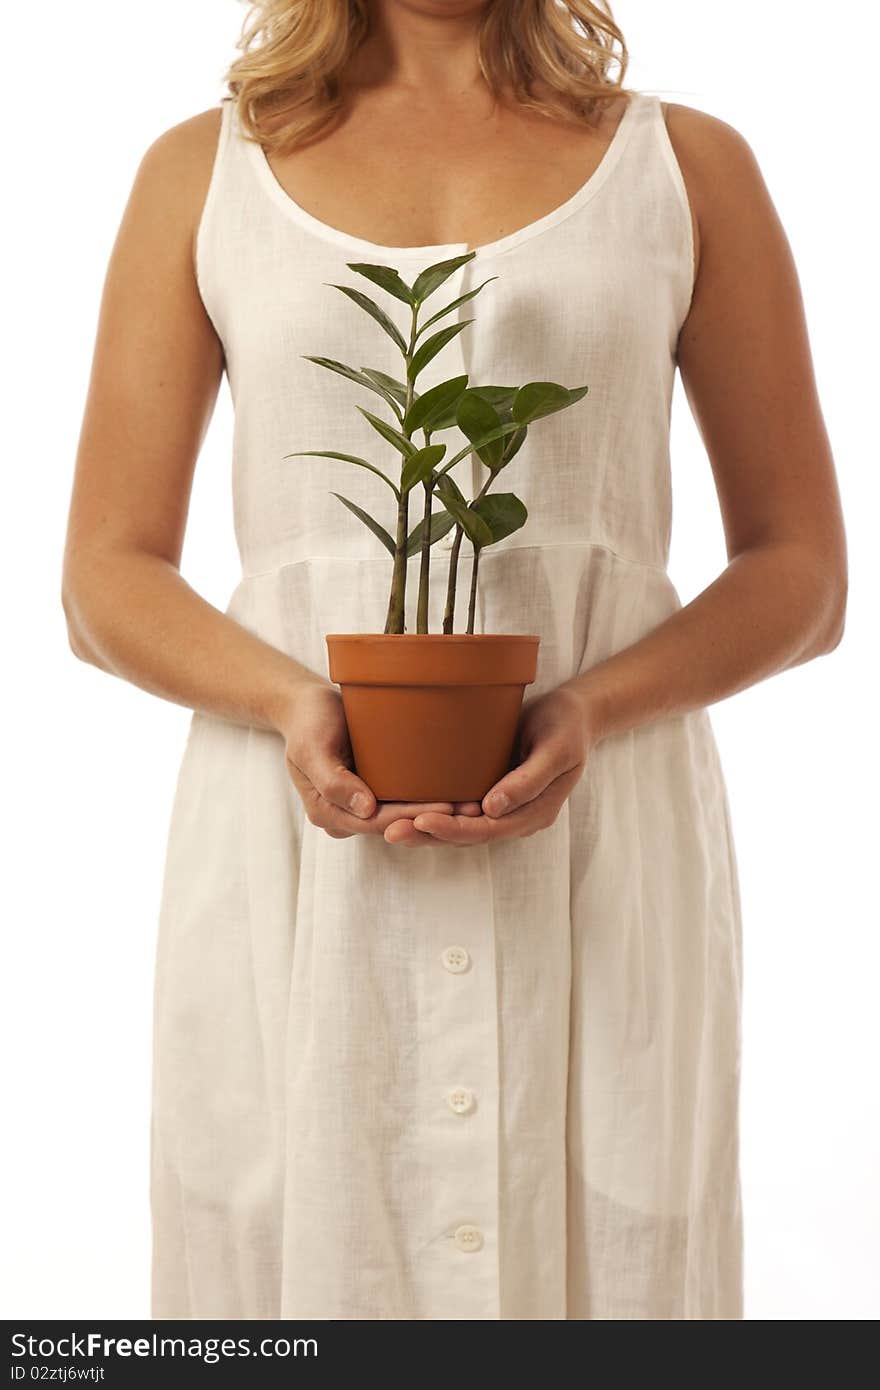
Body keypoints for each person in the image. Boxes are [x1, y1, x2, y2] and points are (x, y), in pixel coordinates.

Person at [61, 0, 847, 1321]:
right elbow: (104, 575)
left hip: (607, 844)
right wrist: (293, 698)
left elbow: (802, 571)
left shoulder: (686, 169)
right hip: (290, 863)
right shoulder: (205, 173)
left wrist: (594, 702)